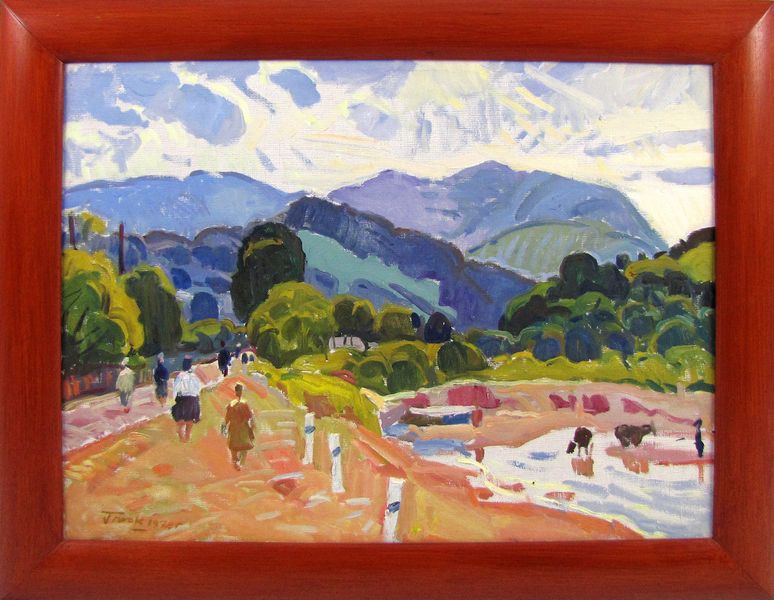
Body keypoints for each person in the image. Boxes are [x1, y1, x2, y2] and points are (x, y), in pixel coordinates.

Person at [223, 383, 255, 470]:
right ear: (241, 391)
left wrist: (225, 425)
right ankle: (240, 464)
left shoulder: (231, 403)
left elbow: (227, 418)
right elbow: (249, 416)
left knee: (234, 447)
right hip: (242, 428)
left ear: (235, 391)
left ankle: (236, 463)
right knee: (244, 447)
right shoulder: (244, 404)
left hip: (234, 428)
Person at [171, 356, 202, 442]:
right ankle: (187, 437)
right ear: (190, 365)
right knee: (189, 421)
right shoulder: (194, 376)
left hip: (182, 399)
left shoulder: (180, 376)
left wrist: (174, 399)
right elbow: (198, 388)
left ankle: (182, 438)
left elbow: (175, 389)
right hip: (192, 399)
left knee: (180, 421)